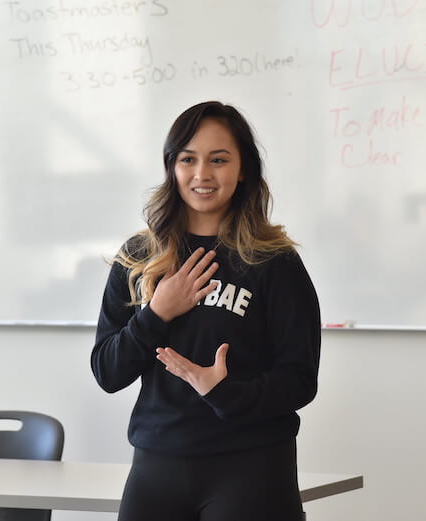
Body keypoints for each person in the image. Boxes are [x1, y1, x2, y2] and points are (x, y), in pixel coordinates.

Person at [91, 101, 321, 521]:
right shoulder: (139, 257)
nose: (202, 174)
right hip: (157, 464)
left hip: (251, 467)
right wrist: (156, 314)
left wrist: (225, 392)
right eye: (187, 159)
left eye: (218, 160)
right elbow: (107, 372)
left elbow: (300, 380)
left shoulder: (274, 262)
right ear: (171, 167)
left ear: (243, 169)